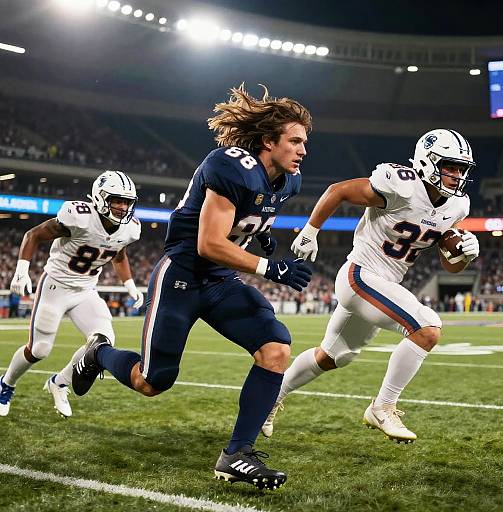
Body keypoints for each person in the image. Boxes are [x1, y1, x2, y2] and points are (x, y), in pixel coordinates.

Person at [71, 85, 312, 490]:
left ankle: (237, 454)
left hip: (220, 282)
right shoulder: (230, 165)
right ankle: (100, 352)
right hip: (182, 275)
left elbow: (245, 219)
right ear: (268, 141)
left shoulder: (287, 181)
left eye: (305, 141)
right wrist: (271, 266)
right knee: (152, 382)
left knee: (276, 348)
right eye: (295, 140)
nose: (303, 150)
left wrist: (263, 237)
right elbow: (209, 243)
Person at [262, 128, 480, 443]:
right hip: (361, 274)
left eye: (462, 169)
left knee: (334, 356)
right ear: (428, 162)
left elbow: (450, 265)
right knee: (427, 328)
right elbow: (338, 190)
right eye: (451, 166)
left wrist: (465, 257)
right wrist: (311, 230)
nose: (457, 175)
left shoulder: (456, 206)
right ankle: (383, 407)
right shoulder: (402, 185)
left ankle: (269, 398)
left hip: (383, 284)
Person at [0, 171, 144, 418]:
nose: (122, 207)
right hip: (55, 285)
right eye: (116, 200)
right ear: (100, 198)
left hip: (86, 289)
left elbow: (119, 254)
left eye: (126, 202)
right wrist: (21, 271)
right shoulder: (79, 216)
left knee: (101, 341)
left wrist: (130, 284)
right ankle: (6, 384)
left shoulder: (130, 229)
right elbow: (33, 235)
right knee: (39, 350)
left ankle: (59, 383)